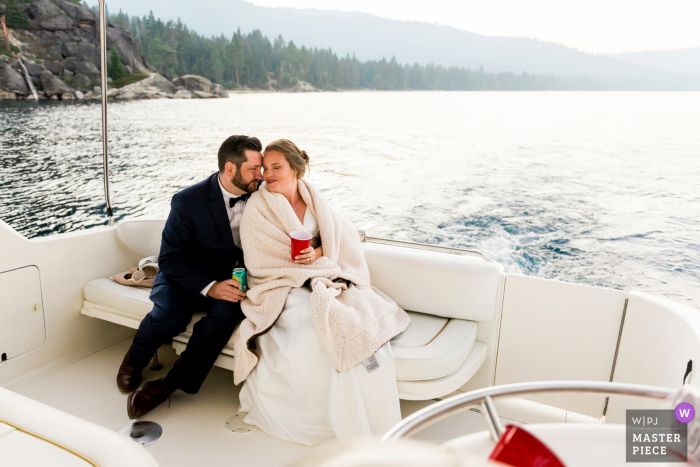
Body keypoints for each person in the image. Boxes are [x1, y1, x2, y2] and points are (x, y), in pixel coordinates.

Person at [235, 139, 411, 445]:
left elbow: (338, 234)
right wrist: (299, 268)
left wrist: (318, 254)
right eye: (265, 168)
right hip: (279, 284)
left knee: (347, 319)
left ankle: (371, 422)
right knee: (310, 318)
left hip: (320, 276)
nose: (268, 174)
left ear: (295, 169)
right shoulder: (258, 205)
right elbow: (258, 256)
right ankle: (330, 420)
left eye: (276, 167)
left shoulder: (313, 198)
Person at [116, 135, 263, 420]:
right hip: (183, 277)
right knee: (170, 316)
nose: (260, 175)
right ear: (230, 169)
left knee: (225, 316)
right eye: (253, 168)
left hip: (230, 280)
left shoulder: (260, 194)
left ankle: (166, 387)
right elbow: (170, 259)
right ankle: (134, 359)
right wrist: (210, 287)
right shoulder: (187, 200)